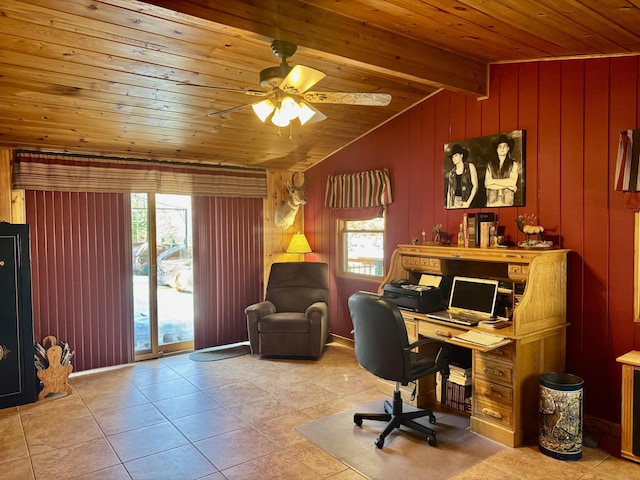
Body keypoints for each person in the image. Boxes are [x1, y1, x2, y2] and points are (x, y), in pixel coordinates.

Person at [485, 134, 519, 206]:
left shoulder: (513, 164)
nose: (502, 148)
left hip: (507, 202)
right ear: (497, 149)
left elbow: (512, 182)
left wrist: (493, 181)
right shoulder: (490, 165)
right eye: (500, 146)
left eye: (504, 146)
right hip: (492, 202)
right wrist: (508, 186)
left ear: (508, 148)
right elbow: (487, 183)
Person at [446, 143, 478, 208]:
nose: (454, 158)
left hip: (467, 201)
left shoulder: (470, 167)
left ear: (461, 156)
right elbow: (449, 192)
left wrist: (468, 203)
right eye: (453, 157)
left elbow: (475, 186)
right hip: (454, 203)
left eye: (456, 155)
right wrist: (448, 207)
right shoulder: (452, 173)